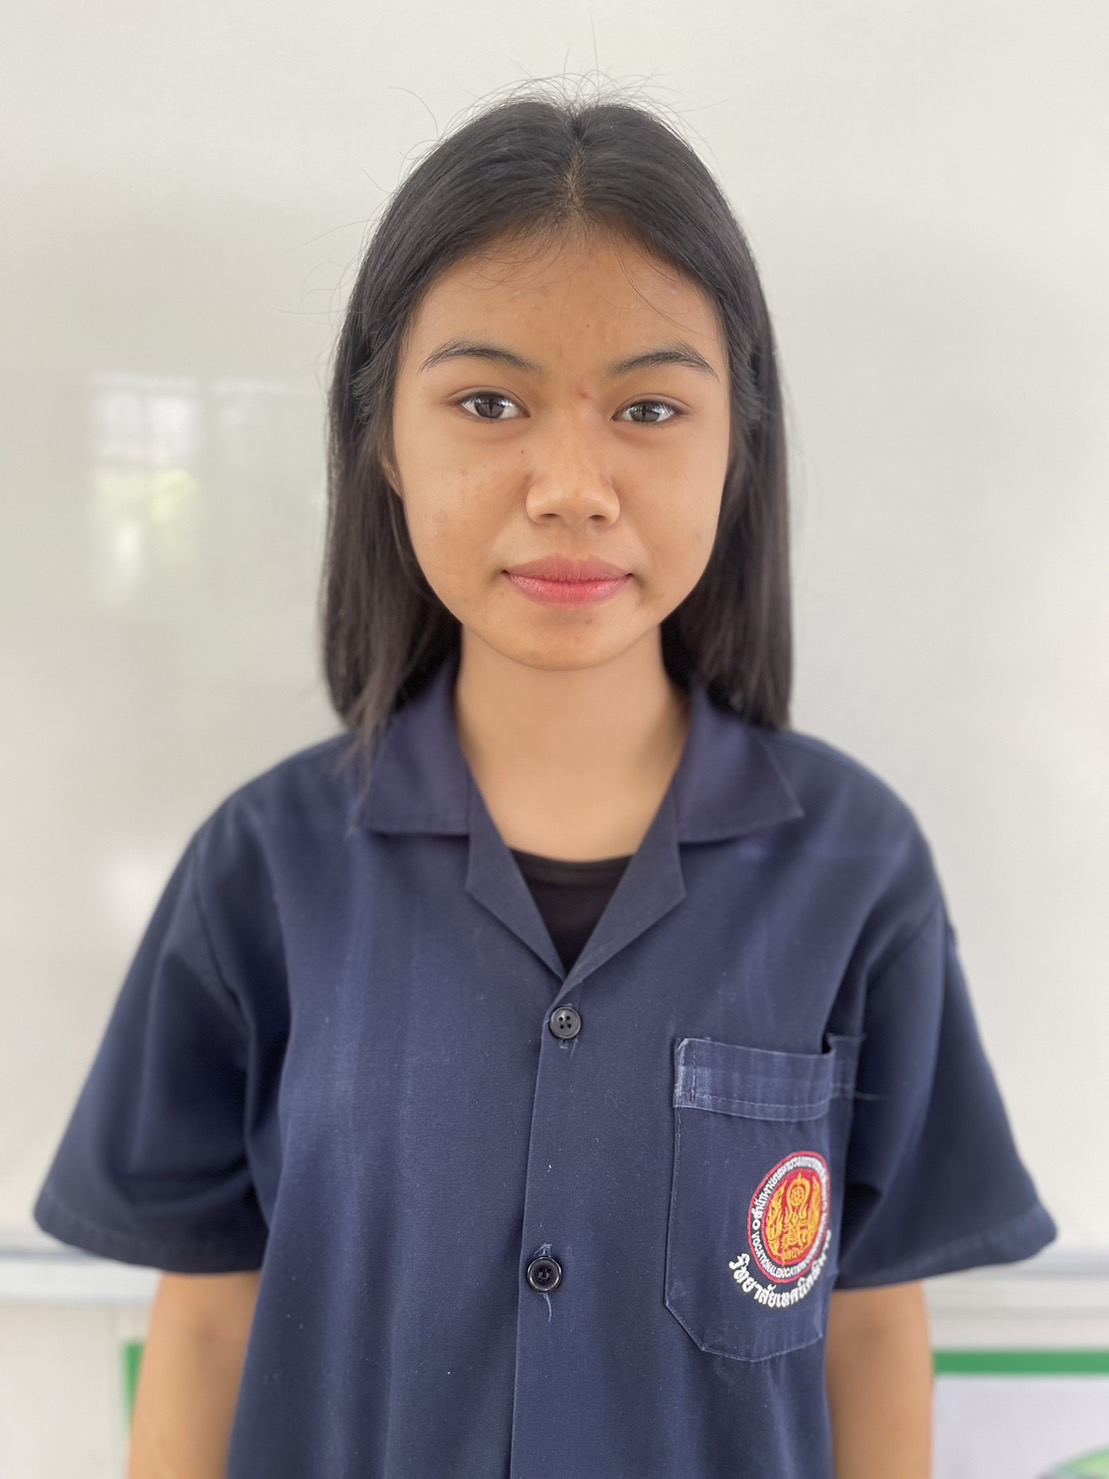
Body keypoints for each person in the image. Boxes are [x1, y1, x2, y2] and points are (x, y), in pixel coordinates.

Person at [33, 84, 1057, 1479]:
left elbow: (871, 1328)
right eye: (487, 401)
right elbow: (209, 1323)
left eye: (649, 407)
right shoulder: (262, 872)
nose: (571, 484)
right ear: (383, 438)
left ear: (736, 444)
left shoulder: (854, 869)